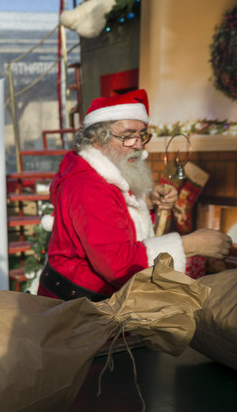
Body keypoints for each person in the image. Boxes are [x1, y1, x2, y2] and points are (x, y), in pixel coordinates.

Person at [38, 89, 232, 301]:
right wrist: (191, 245)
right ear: (97, 139)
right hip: (79, 312)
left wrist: (148, 201)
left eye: (141, 136)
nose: (138, 145)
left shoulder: (103, 171)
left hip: (93, 302)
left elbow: (114, 212)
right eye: (128, 136)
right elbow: (118, 264)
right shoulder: (87, 185)